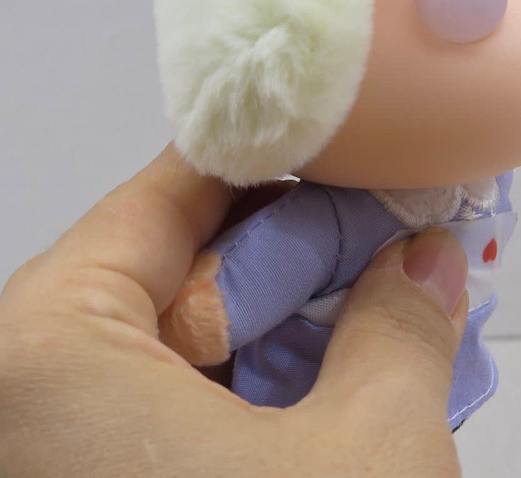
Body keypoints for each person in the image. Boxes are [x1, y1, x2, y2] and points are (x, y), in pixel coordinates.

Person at [0, 144, 469, 477]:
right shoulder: (337, 217)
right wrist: (213, 309)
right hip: (301, 394)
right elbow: (268, 268)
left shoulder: (484, 188)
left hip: (437, 384)